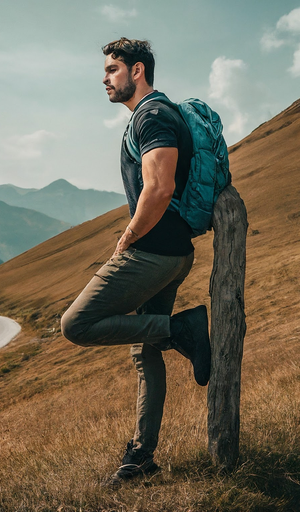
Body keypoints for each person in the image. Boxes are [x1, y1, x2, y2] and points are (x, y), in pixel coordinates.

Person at [60, 38, 211, 487]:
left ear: (137, 70)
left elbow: (160, 187)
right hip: (170, 251)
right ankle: (142, 457)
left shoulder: (153, 116)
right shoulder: (153, 116)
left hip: (153, 253)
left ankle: (182, 330)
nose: (105, 79)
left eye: (112, 70)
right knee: (144, 352)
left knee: (77, 324)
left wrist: (126, 240)